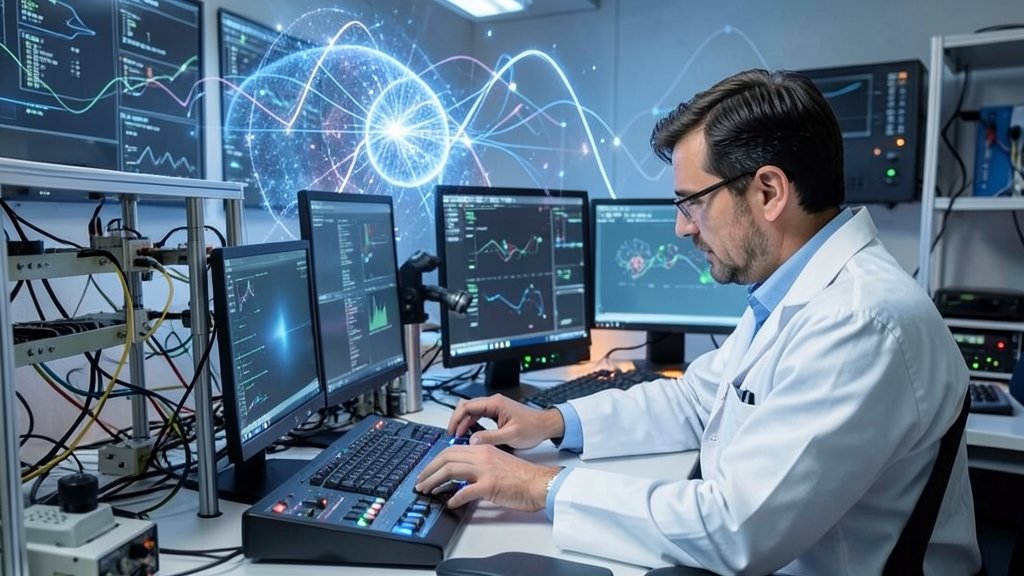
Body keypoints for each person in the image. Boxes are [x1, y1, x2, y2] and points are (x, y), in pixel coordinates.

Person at [415, 68, 982, 575]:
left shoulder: (859, 320)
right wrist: (552, 421)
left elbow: (736, 530)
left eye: (692, 202)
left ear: (768, 191)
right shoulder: (800, 293)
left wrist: (540, 485)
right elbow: (696, 401)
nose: (682, 229)